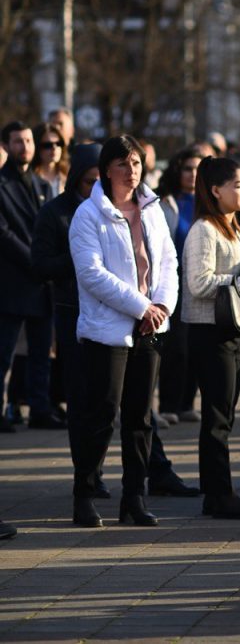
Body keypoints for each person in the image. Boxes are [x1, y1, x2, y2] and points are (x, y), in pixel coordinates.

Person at [68, 135, 178, 528]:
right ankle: (85, 493)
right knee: (102, 414)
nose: (131, 171)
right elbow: (91, 274)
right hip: (107, 330)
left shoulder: (152, 208)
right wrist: (140, 306)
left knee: (140, 417)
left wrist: (161, 307)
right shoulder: (88, 214)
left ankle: (134, 497)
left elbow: (169, 261)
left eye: (135, 163)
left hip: (150, 327)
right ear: (105, 170)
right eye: (122, 164)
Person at [182, 156, 240, 520]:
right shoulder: (204, 229)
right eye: (238, 185)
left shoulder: (236, 226)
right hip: (211, 331)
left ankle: (217, 493)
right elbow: (198, 283)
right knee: (217, 417)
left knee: (226, 415)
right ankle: (219, 495)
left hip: (236, 329)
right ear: (216, 190)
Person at [32, 143, 105, 486]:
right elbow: (41, 265)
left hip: (113, 310)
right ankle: (86, 476)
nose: (97, 189)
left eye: (102, 181)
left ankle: (106, 471)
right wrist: (80, 258)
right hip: (72, 311)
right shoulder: (55, 212)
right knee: (80, 399)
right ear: (76, 178)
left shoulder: (114, 209)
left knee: (111, 401)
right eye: (90, 181)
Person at [0, 121, 61, 431]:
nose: (24, 147)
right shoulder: (1, 184)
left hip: (41, 284)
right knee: (4, 353)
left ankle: (40, 408)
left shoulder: (43, 186)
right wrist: (35, 261)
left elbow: (49, 230)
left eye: (28, 140)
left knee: (41, 352)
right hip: (13, 282)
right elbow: (4, 234)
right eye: (17, 141)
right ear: (6, 146)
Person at [156, 147, 205, 426]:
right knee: (175, 348)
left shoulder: (208, 202)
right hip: (173, 281)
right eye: (187, 168)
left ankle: (187, 403)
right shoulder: (166, 203)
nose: (193, 174)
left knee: (195, 348)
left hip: (201, 282)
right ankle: (169, 404)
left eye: (198, 169)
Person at [31, 123, 68, 202]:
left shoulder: (69, 177)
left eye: (58, 144)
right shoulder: (30, 178)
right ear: (36, 147)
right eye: (47, 145)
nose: (54, 148)